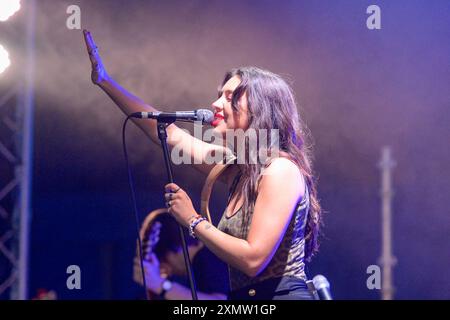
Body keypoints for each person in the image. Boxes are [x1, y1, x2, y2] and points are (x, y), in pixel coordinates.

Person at [83, 29, 322, 300]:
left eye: (230, 96)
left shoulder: (280, 170)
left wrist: (193, 220)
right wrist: (104, 81)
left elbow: (254, 259)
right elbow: (167, 133)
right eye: (219, 94)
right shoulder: (238, 169)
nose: (216, 103)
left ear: (260, 108)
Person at [133, 210, 228, 300]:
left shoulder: (208, 257)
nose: (166, 272)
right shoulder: (202, 259)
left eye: (163, 264)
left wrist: (161, 285)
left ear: (174, 247)